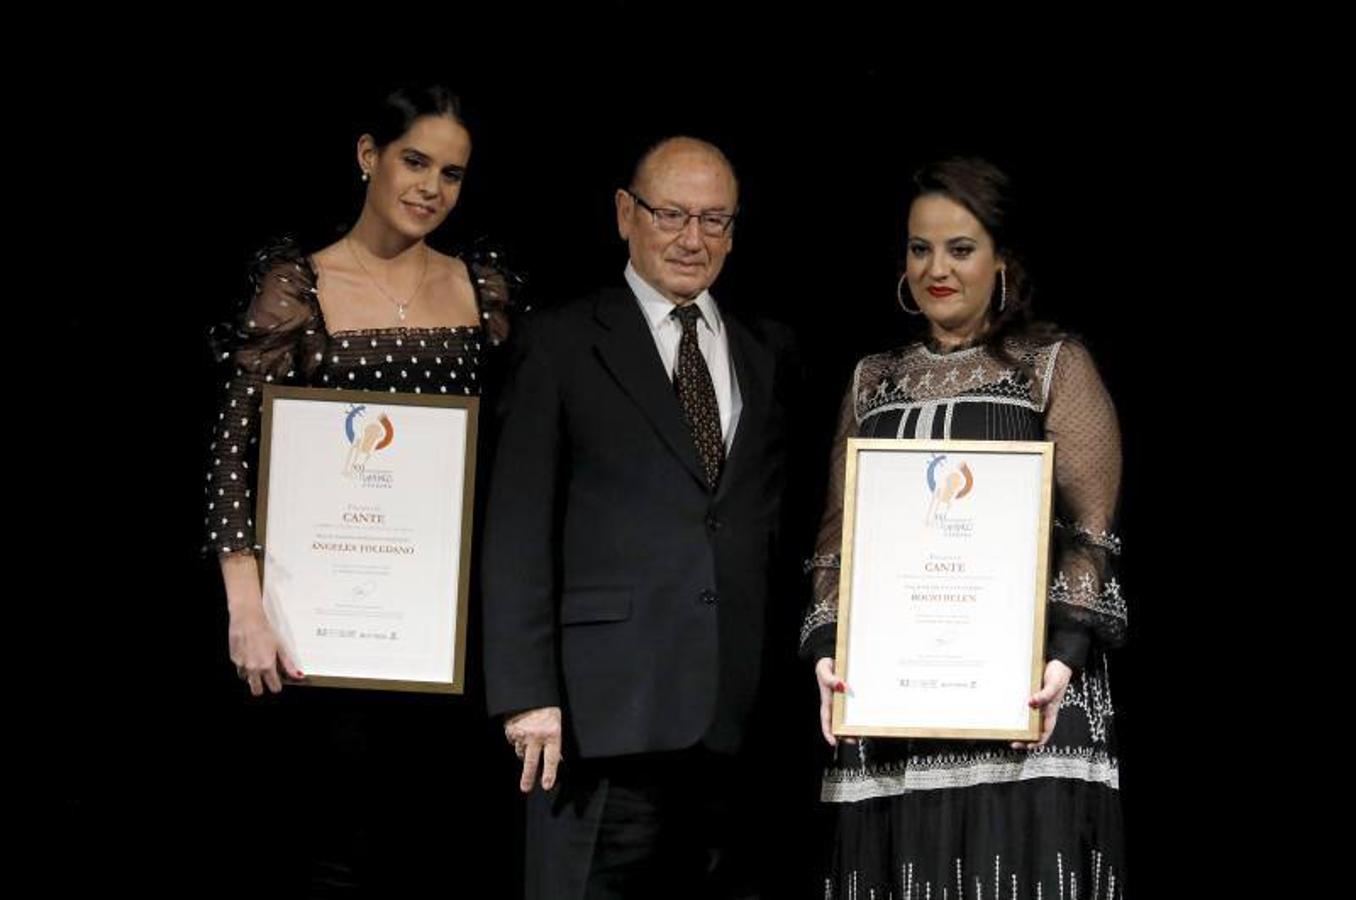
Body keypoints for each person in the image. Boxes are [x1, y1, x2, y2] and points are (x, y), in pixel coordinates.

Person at [204, 83, 517, 891]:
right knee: (337, 851)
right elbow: (234, 448)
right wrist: (246, 605)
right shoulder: (297, 286)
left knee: (443, 847)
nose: (430, 188)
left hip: (450, 633)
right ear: (368, 156)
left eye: (450, 173)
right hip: (326, 633)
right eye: (415, 161)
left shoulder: (481, 291)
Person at [803, 157, 1128, 898]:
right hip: (893, 709)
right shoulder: (873, 379)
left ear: (1002, 260)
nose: (936, 269)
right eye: (920, 248)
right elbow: (837, 539)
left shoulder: (1051, 366)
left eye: (960, 248)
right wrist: (830, 652)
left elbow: (1092, 529)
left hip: (1030, 706)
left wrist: (1061, 657)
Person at [481, 136, 797, 898]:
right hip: (597, 726)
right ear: (626, 214)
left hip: (735, 724)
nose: (694, 239)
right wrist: (527, 693)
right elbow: (516, 526)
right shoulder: (559, 342)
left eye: (715, 220)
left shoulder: (770, 350)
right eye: (673, 214)